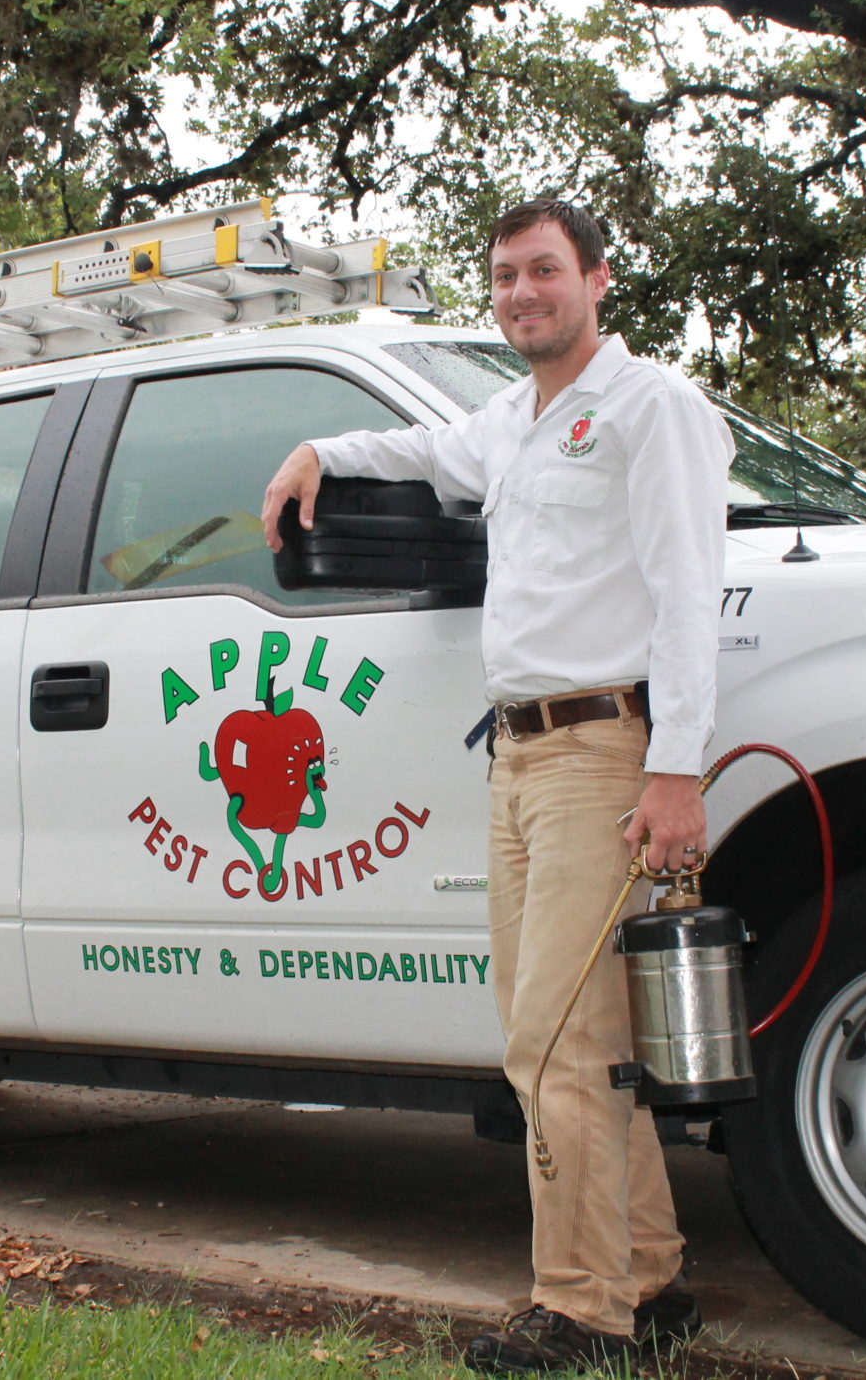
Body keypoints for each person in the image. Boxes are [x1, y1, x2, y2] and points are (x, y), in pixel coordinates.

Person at [260, 198, 735, 1373]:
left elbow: (688, 595)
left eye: (543, 272)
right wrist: (321, 451)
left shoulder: (650, 409)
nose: (521, 294)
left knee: (554, 1038)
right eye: (505, 277)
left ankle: (576, 1310)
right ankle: (650, 1280)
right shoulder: (513, 421)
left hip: (599, 753)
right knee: (569, 1036)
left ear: (596, 279)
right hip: (516, 756)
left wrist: (675, 768)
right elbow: (421, 452)